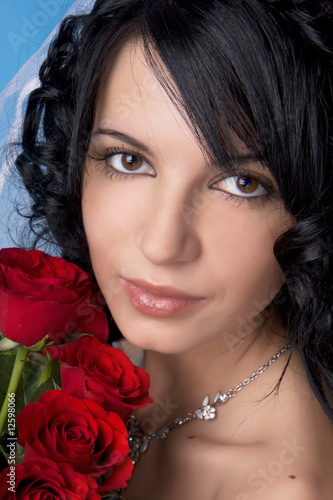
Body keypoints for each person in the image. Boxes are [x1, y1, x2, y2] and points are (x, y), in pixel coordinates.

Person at [13, 0, 333, 498]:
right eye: (128, 159)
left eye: (242, 183)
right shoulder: (49, 374)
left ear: (312, 207)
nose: (162, 245)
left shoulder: (285, 487)